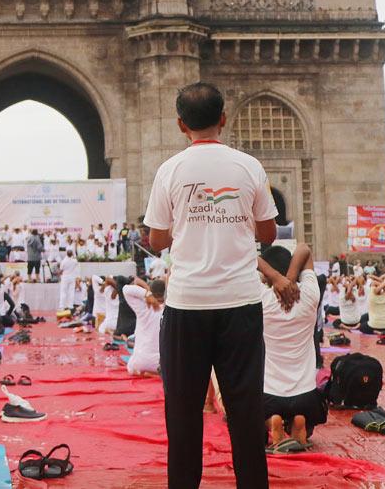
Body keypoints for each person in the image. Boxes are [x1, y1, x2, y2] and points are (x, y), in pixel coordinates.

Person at [144, 82, 279, 489]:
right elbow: (269, 233)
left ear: (181, 124)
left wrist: (190, 223)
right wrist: (235, 218)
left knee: (183, 416)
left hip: (187, 306)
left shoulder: (169, 170)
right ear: (223, 119)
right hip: (240, 303)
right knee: (245, 411)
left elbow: (156, 240)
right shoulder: (248, 166)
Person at [257, 243, 326, 453]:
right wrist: (289, 279)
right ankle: (299, 421)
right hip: (306, 397)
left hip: (270, 397)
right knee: (304, 410)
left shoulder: (262, 298)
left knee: (250, 412)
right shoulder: (310, 295)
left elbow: (246, 256)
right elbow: (305, 248)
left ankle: (273, 422)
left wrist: (277, 279)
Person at [122, 276, 165, 376]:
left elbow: (126, 289)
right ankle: (156, 374)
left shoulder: (143, 307)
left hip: (139, 362)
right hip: (160, 363)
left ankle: (146, 373)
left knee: (131, 367)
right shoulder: (170, 309)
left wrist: (146, 293)